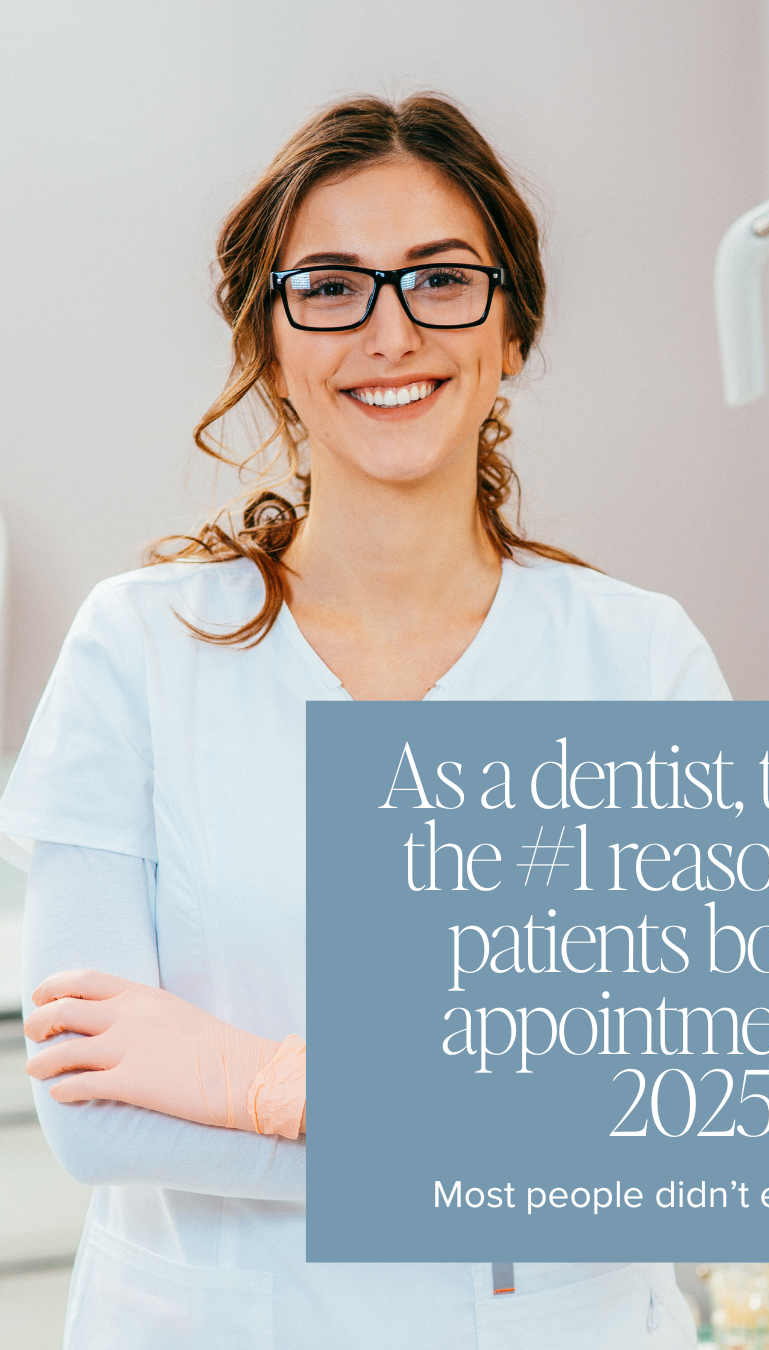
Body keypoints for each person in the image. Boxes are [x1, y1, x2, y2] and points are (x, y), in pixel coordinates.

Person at [0, 94, 729, 1348]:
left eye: (442, 280)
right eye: (330, 287)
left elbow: (685, 1121)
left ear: (511, 326)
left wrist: (263, 1083)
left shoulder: (637, 663)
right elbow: (93, 1117)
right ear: (270, 340)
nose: (391, 332)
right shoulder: (138, 651)